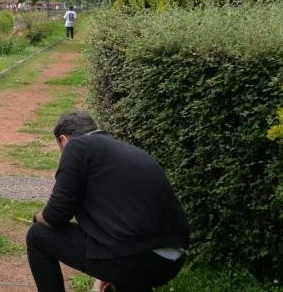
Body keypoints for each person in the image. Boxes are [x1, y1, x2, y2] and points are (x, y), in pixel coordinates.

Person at [27, 111, 190, 292]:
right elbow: (116, 220)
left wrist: (37, 216)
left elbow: (56, 215)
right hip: (170, 259)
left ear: (63, 139)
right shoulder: (125, 152)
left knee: (37, 235)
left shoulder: (76, 147)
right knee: (123, 266)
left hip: (138, 257)